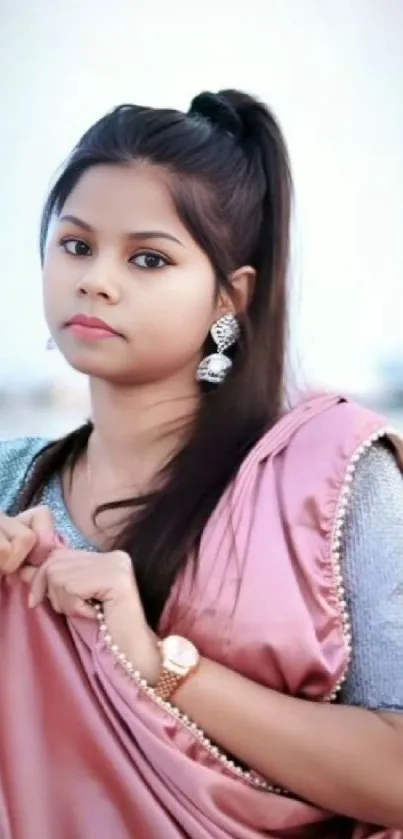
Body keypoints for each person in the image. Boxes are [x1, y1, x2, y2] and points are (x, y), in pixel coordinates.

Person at [0, 89, 402, 839]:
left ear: (228, 297)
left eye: (147, 257)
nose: (95, 279)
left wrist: (157, 663)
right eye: (76, 244)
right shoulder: (10, 483)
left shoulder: (329, 474)